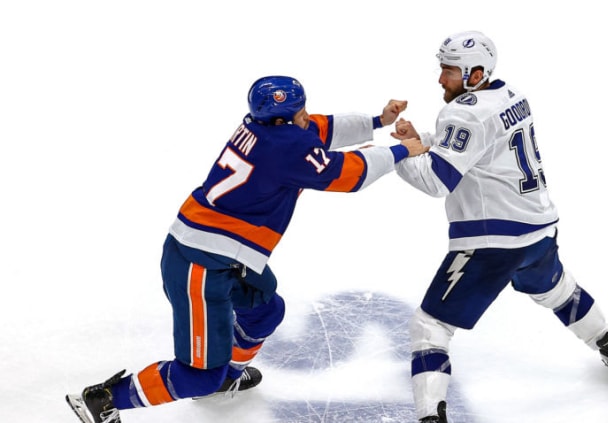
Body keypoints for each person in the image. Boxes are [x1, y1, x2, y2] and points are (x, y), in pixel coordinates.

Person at [65, 75, 429, 423]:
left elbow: (321, 128)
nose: (308, 116)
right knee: (198, 376)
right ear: (285, 120)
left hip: (225, 255)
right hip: (200, 266)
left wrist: (378, 120)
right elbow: (348, 175)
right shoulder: (287, 146)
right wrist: (400, 150)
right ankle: (106, 400)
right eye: (301, 111)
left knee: (265, 310)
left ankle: (226, 378)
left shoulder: (265, 128)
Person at [390, 31, 608, 422]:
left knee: (430, 325)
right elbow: (477, 144)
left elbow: (436, 181)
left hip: (492, 241)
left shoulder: (463, 112)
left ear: (474, 74)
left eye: (449, 71)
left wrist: (400, 153)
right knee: (557, 290)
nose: (441, 79)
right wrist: (423, 139)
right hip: (538, 231)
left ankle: (429, 417)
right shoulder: (511, 96)